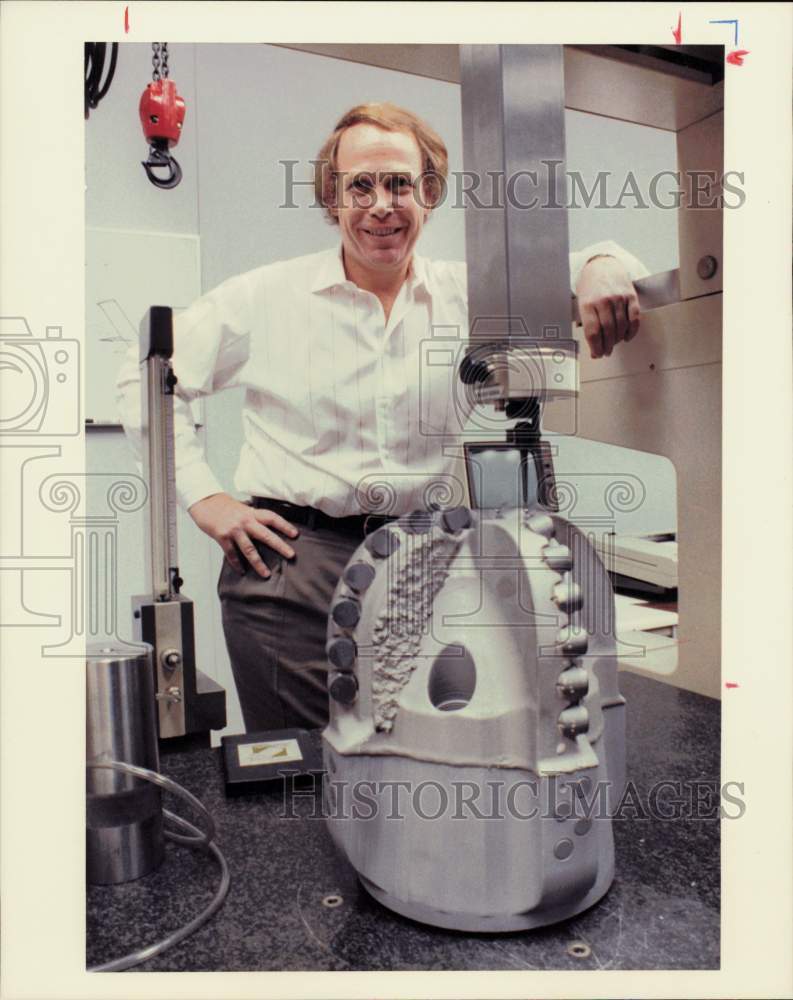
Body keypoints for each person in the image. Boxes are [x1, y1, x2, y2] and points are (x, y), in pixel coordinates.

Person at [117, 102, 648, 733]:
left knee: (430, 752)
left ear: (427, 193)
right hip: (291, 570)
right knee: (304, 774)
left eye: (399, 183)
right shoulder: (266, 298)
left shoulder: (466, 295)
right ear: (331, 197)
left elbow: (578, 265)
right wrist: (204, 497)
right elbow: (145, 377)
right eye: (360, 185)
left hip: (427, 563)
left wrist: (600, 265)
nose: (380, 205)